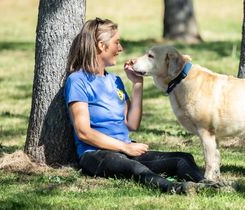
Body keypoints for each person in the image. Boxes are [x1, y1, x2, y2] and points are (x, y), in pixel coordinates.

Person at [64, 17, 208, 194]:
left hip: (124, 148)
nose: (121, 48)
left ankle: (209, 185)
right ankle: (176, 189)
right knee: (134, 167)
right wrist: (125, 147)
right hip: (95, 154)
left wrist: (137, 84)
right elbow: (83, 132)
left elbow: (132, 124)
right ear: (101, 46)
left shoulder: (114, 80)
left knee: (183, 159)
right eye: (116, 43)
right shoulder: (77, 80)